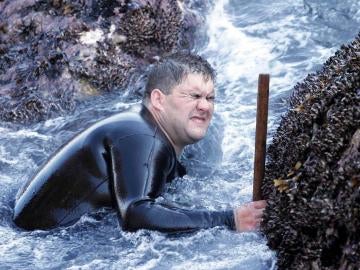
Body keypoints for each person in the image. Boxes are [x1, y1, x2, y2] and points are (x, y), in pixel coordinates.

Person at [13, 52, 266, 233]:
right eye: (194, 96)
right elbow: (136, 213)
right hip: (39, 241)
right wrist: (229, 219)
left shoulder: (146, 131)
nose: (205, 106)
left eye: (210, 98)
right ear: (158, 99)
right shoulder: (141, 136)